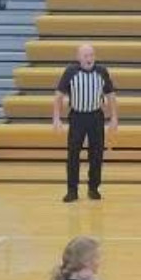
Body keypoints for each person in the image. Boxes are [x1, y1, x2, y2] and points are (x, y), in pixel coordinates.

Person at [54, 44, 119, 203]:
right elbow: (58, 95)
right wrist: (56, 118)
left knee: (96, 154)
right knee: (73, 154)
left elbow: (111, 96)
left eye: (91, 55)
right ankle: (72, 190)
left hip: (96, 117)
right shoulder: (70, 72)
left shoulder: (102, 72)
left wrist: (114, 118)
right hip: (77, 117)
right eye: (85, 55)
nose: (89, 58)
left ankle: (93, 188)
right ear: (79, 58)